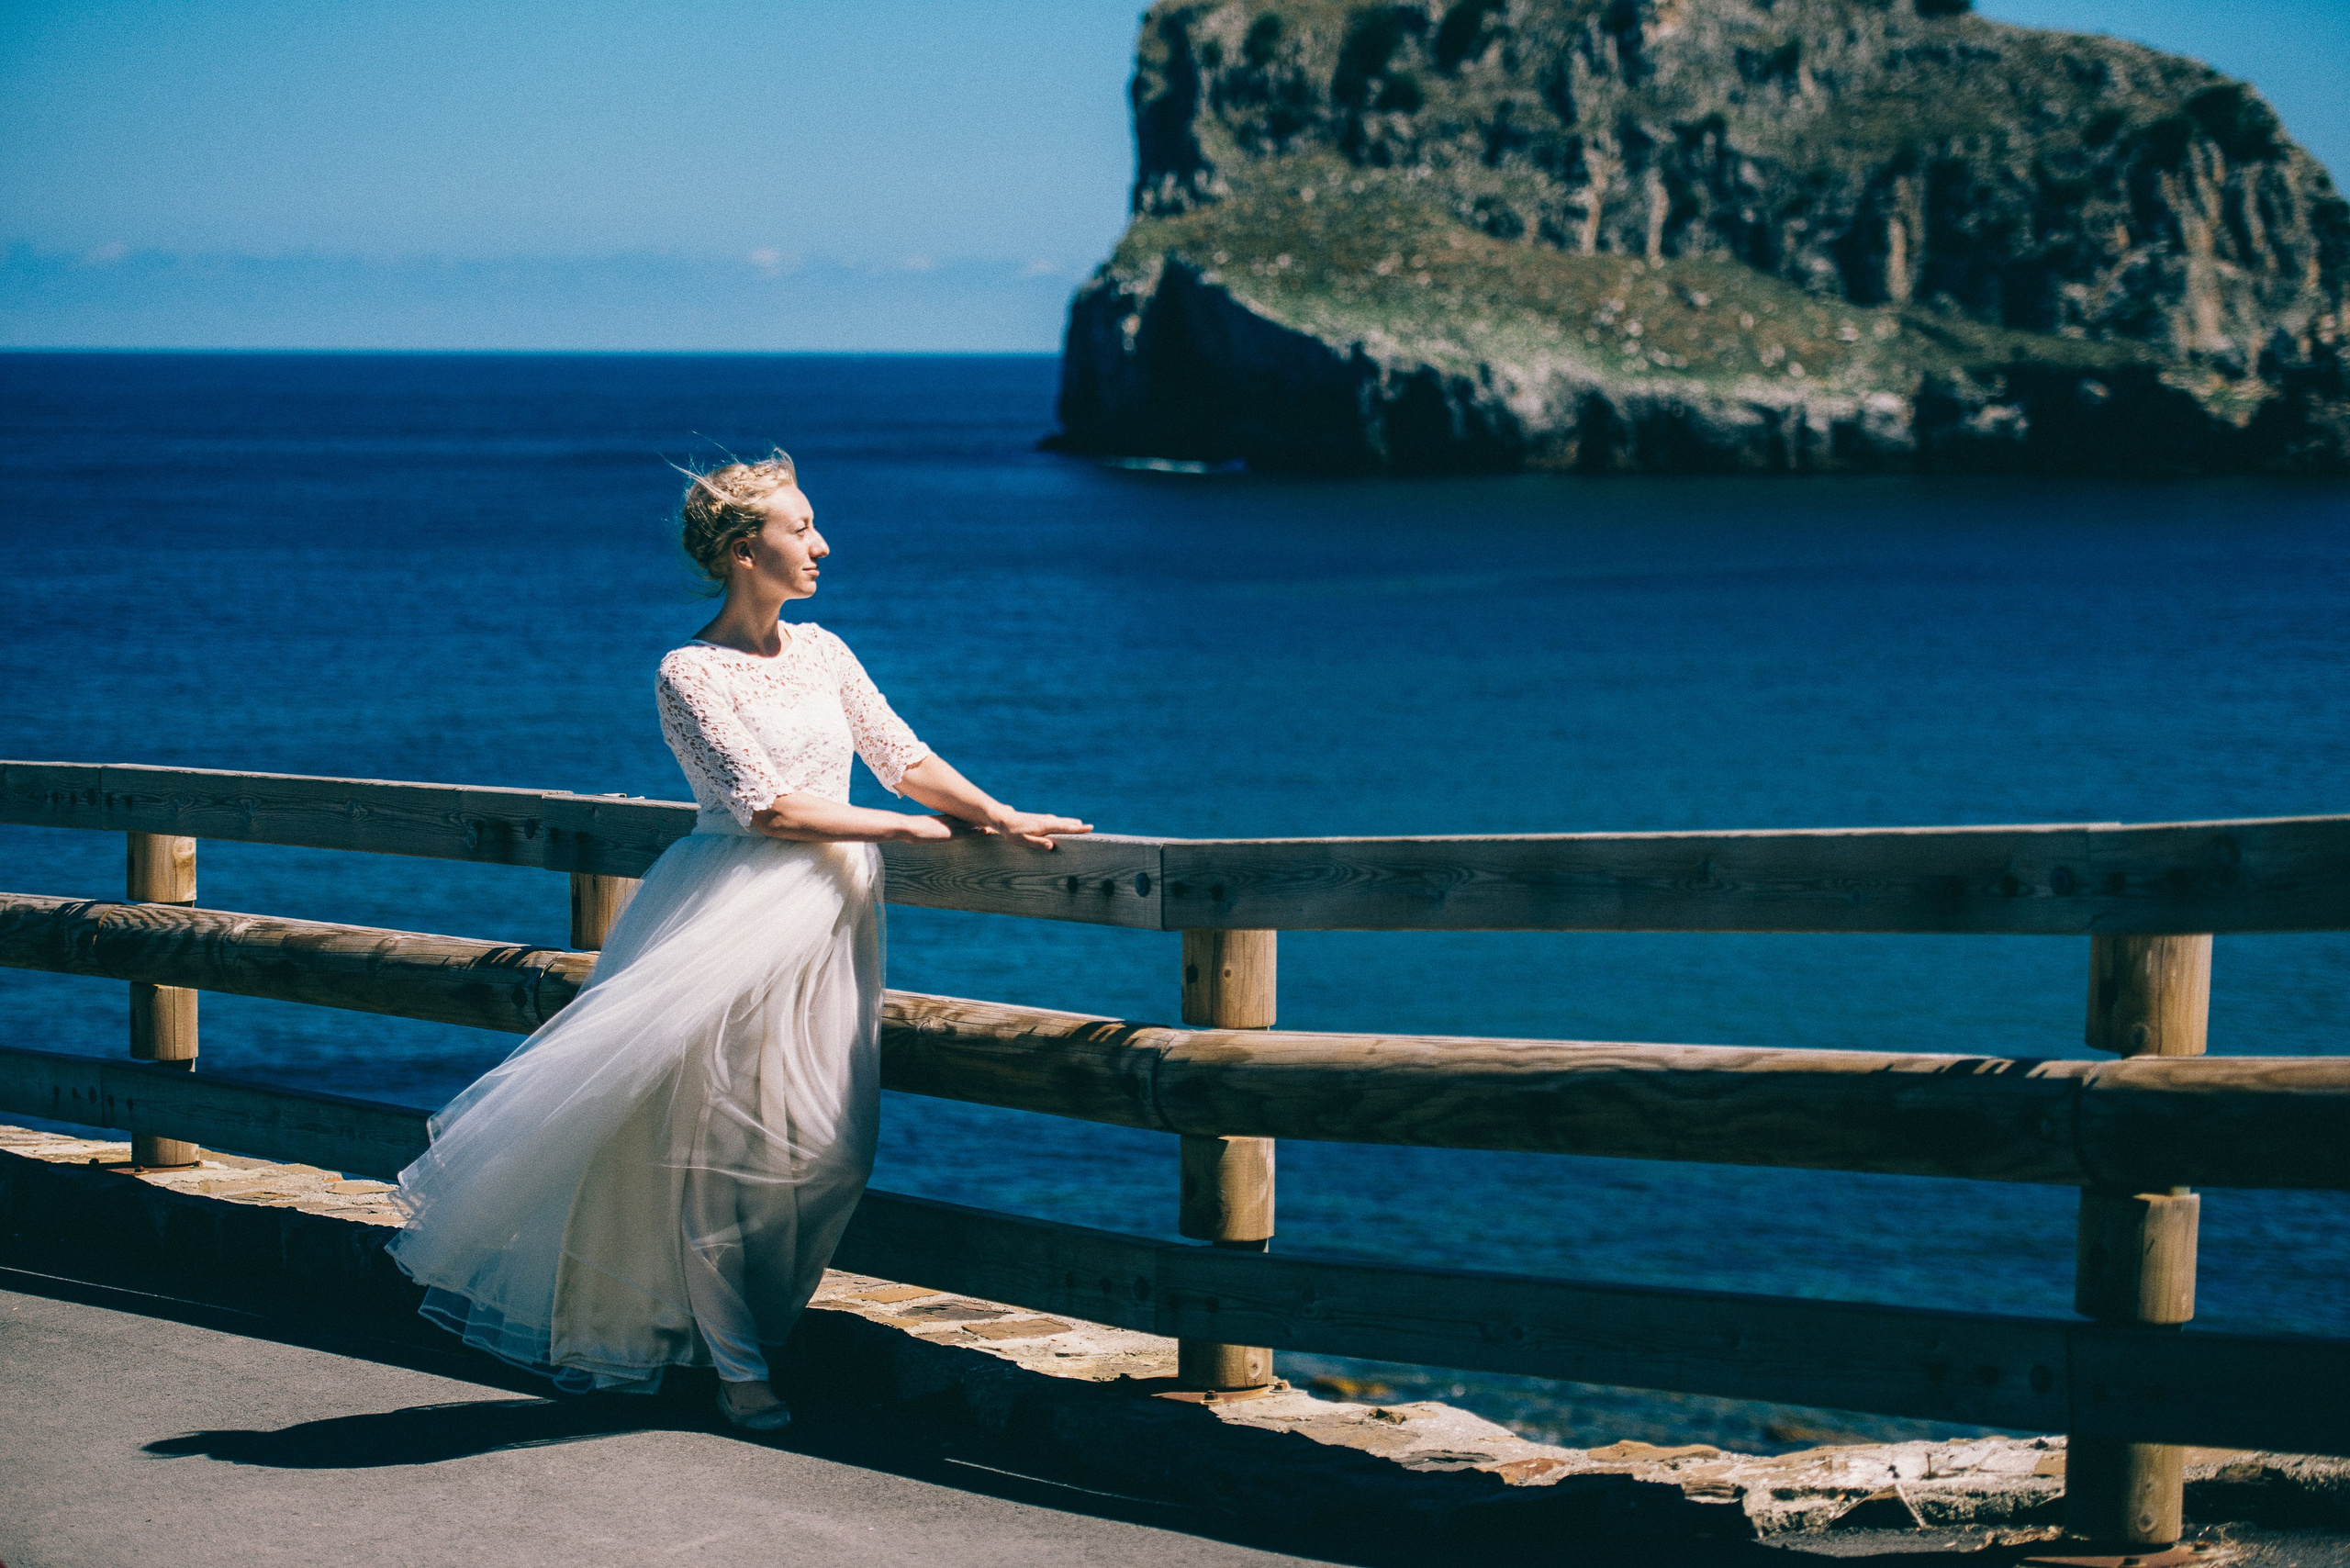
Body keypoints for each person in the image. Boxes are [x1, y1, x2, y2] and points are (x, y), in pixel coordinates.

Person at [388, 450, 1090, 1431]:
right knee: (713, 1146)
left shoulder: (825, 651)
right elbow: (767, 807)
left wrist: (994, 811)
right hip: (729, 912)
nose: (821, 543)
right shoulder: (688, 671)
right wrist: (908, 830)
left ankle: (739, 1334)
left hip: (831, 917)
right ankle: (736, 1367)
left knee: (832, 1148)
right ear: (738, 548)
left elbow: (900, 753)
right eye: (800, 528)